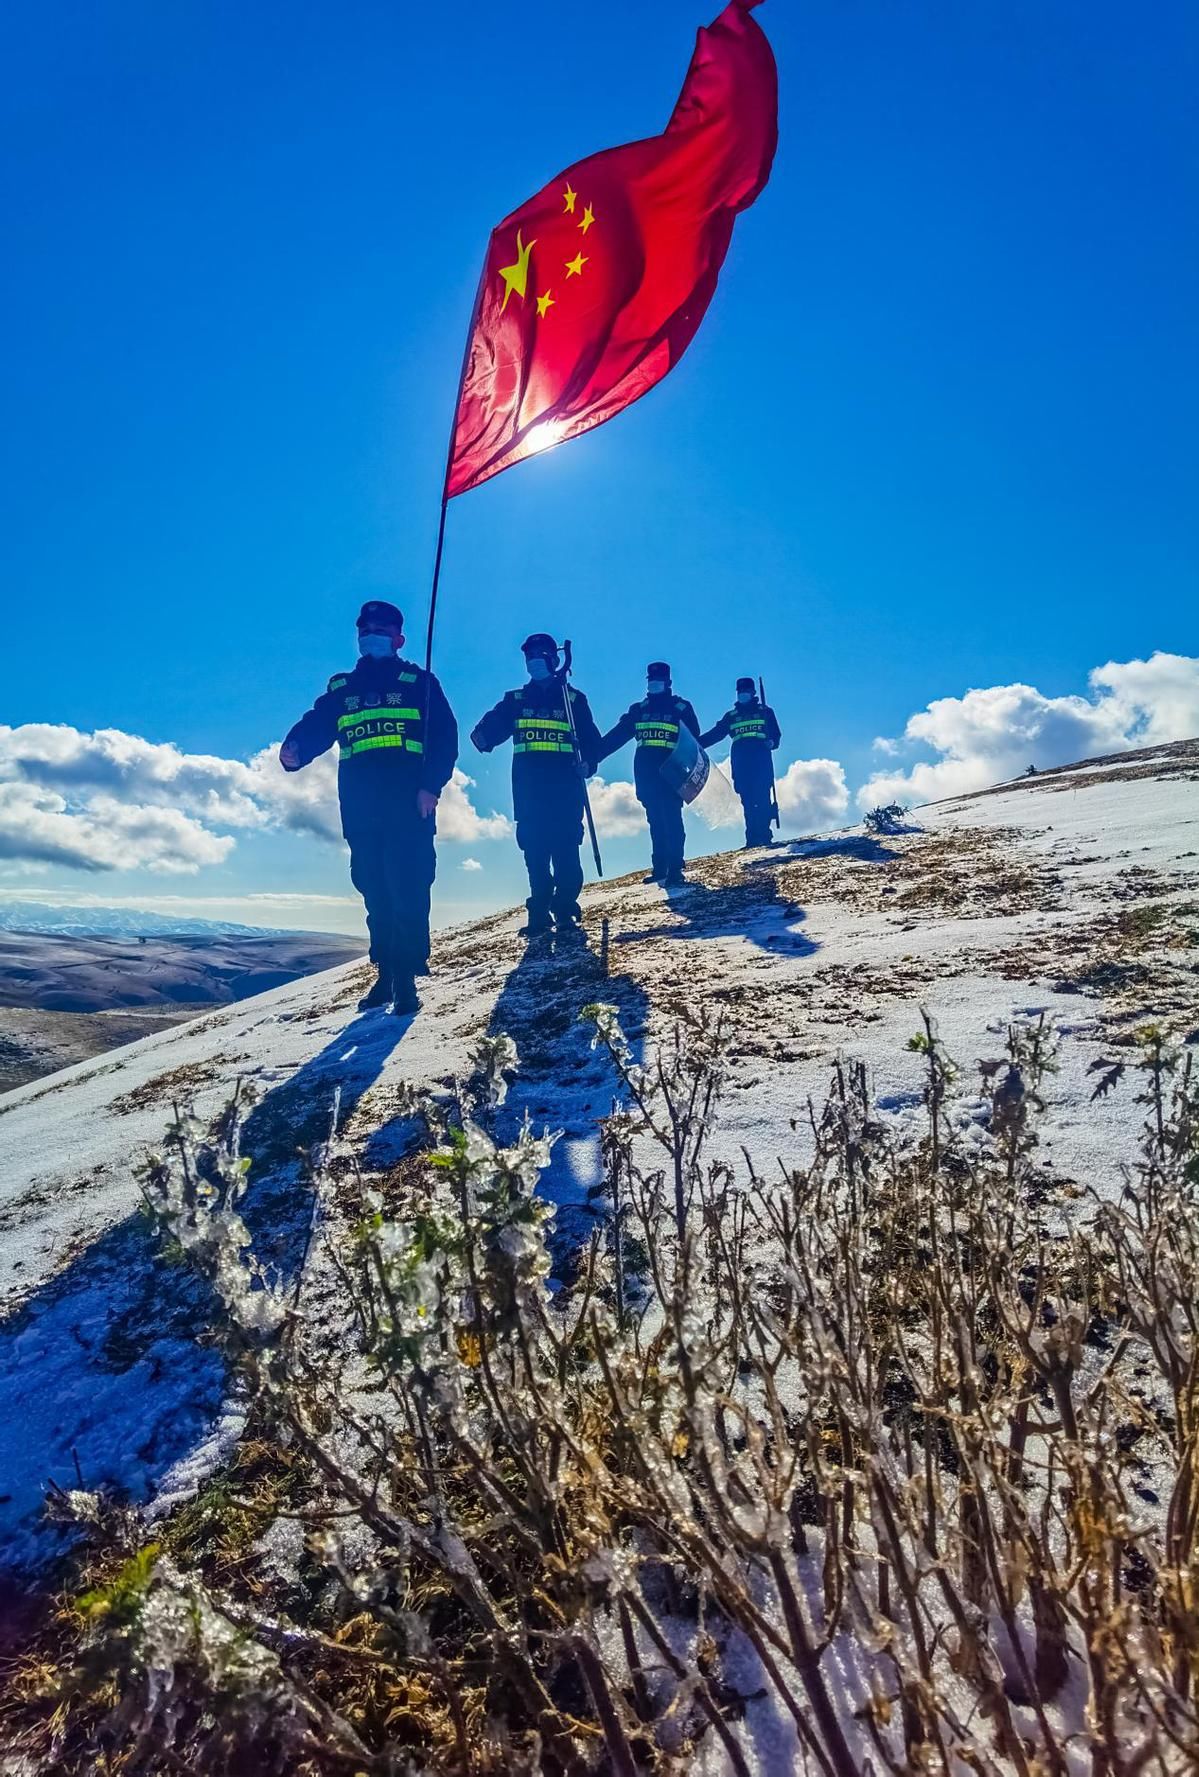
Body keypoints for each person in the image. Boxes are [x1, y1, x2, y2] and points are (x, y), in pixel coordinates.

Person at [279, 600, 458, 1014]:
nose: (371, 634)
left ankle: (407, 976)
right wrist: (295, 749)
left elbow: (445, 739)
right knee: (372, 887)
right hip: (360, 806)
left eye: (380, 628)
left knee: (407, 885)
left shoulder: (419, 682)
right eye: (365, 629)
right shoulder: (342, 688)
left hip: (409, 803)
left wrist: (431, 787)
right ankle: (384, 973)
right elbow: (317, 725)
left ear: (399, 638)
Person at [470, 634, 602, 938]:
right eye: (529, 656)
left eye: (540, 654)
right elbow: (486, 734)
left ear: (555, 660)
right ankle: (539, 914)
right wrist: (482, 736)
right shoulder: (515, 701)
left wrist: (589, 763)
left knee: (567, 855)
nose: (533, 661)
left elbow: (592, 742)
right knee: (536, 858)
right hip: (529, 795)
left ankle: (566, 909)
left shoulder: (573, 701)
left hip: (566, 792)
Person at [596, 661, 700, 886]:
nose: (654, 683)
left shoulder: (680, 708)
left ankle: (675, 867)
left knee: (672, 819)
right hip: (646, 774)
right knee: (655, 821)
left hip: (672, 773)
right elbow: (616, 736)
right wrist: (592, 757)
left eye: (659, 679)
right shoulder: (639, 710)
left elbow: (694, 740)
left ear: (668, 682)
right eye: (651, 680)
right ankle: (660, 867)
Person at [701, 677, 781, 848]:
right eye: (740, 691)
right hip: (741, 762)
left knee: (762, 798)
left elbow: (776, 736)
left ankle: (765, 836)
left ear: (753, 693)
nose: (742, 694)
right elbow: (715, 734)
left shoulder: (765, 712)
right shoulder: (732, 716)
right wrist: (696, 744)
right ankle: (752, 839)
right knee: (747, 800)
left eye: (745, 691)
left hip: (761, 760)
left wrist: (772, 742)